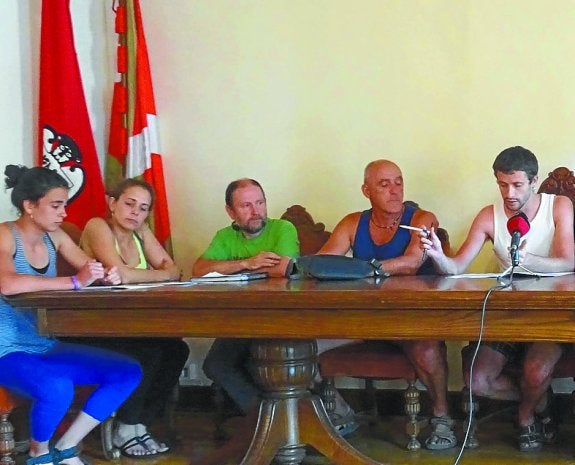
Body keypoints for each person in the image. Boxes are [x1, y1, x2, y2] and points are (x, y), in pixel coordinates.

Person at [420, 146, 575, 452]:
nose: (509, 193)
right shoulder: (488, 215)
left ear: (534, 182)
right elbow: (456, 267)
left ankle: (526, 416)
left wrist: (528, 261)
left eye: (517, 185)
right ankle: (540, 399)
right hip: (505, 314)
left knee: (536, 371)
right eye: (502, 185)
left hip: (549, 315)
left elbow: (569, 262)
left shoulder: (558, 206)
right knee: (477, 380)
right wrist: (438, 255)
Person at [0, 165, 142, 465]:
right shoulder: (4, 235)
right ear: (29, 206)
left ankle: (66, 447)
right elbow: (8, 284)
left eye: (64, 205)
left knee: (127, 371)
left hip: (43, 345)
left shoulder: (56, 237)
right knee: (57, 387)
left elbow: (89, 270)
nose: (63, 213)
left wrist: (105, 276)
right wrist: (75, 281)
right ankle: (39, 455)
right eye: (56, 206)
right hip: (6, 351)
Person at [317, 159, 457, 450]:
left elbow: (411, 262)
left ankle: (442, 417)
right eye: (384, 184)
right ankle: (341, 411)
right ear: (366, 190)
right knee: (300, 347)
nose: (395, 190)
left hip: (410, 320)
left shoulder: (422, 218)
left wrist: (361, 269)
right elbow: (322, 264)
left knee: (427, 350)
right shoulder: (353, 222)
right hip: (363, 320)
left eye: (398, 182)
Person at [68, 178, 189, 458]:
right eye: (129, 204)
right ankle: (125, 426)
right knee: (147, 351)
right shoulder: (98, 226)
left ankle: (139, 424)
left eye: (143, 208)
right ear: (112, 203)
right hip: (91, 325)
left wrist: (152, 273)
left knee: (176, 349)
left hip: (127, 324)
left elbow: (174, 270)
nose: (135, 212)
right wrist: (160, 274)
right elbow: (119, 273)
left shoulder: (141, 231)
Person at [192, 178, 299, 414]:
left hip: (281, 318)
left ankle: (278, 419)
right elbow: (199, 270)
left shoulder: (283, 228)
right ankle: (265, 417)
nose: (256, 211)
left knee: (262, 361)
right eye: (246, 205)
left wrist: (227, 267)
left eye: (260, 202)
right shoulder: (224, 237)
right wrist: (246, 263)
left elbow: (283, 268)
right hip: (241, 319)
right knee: (215, 365)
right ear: (230, 212)